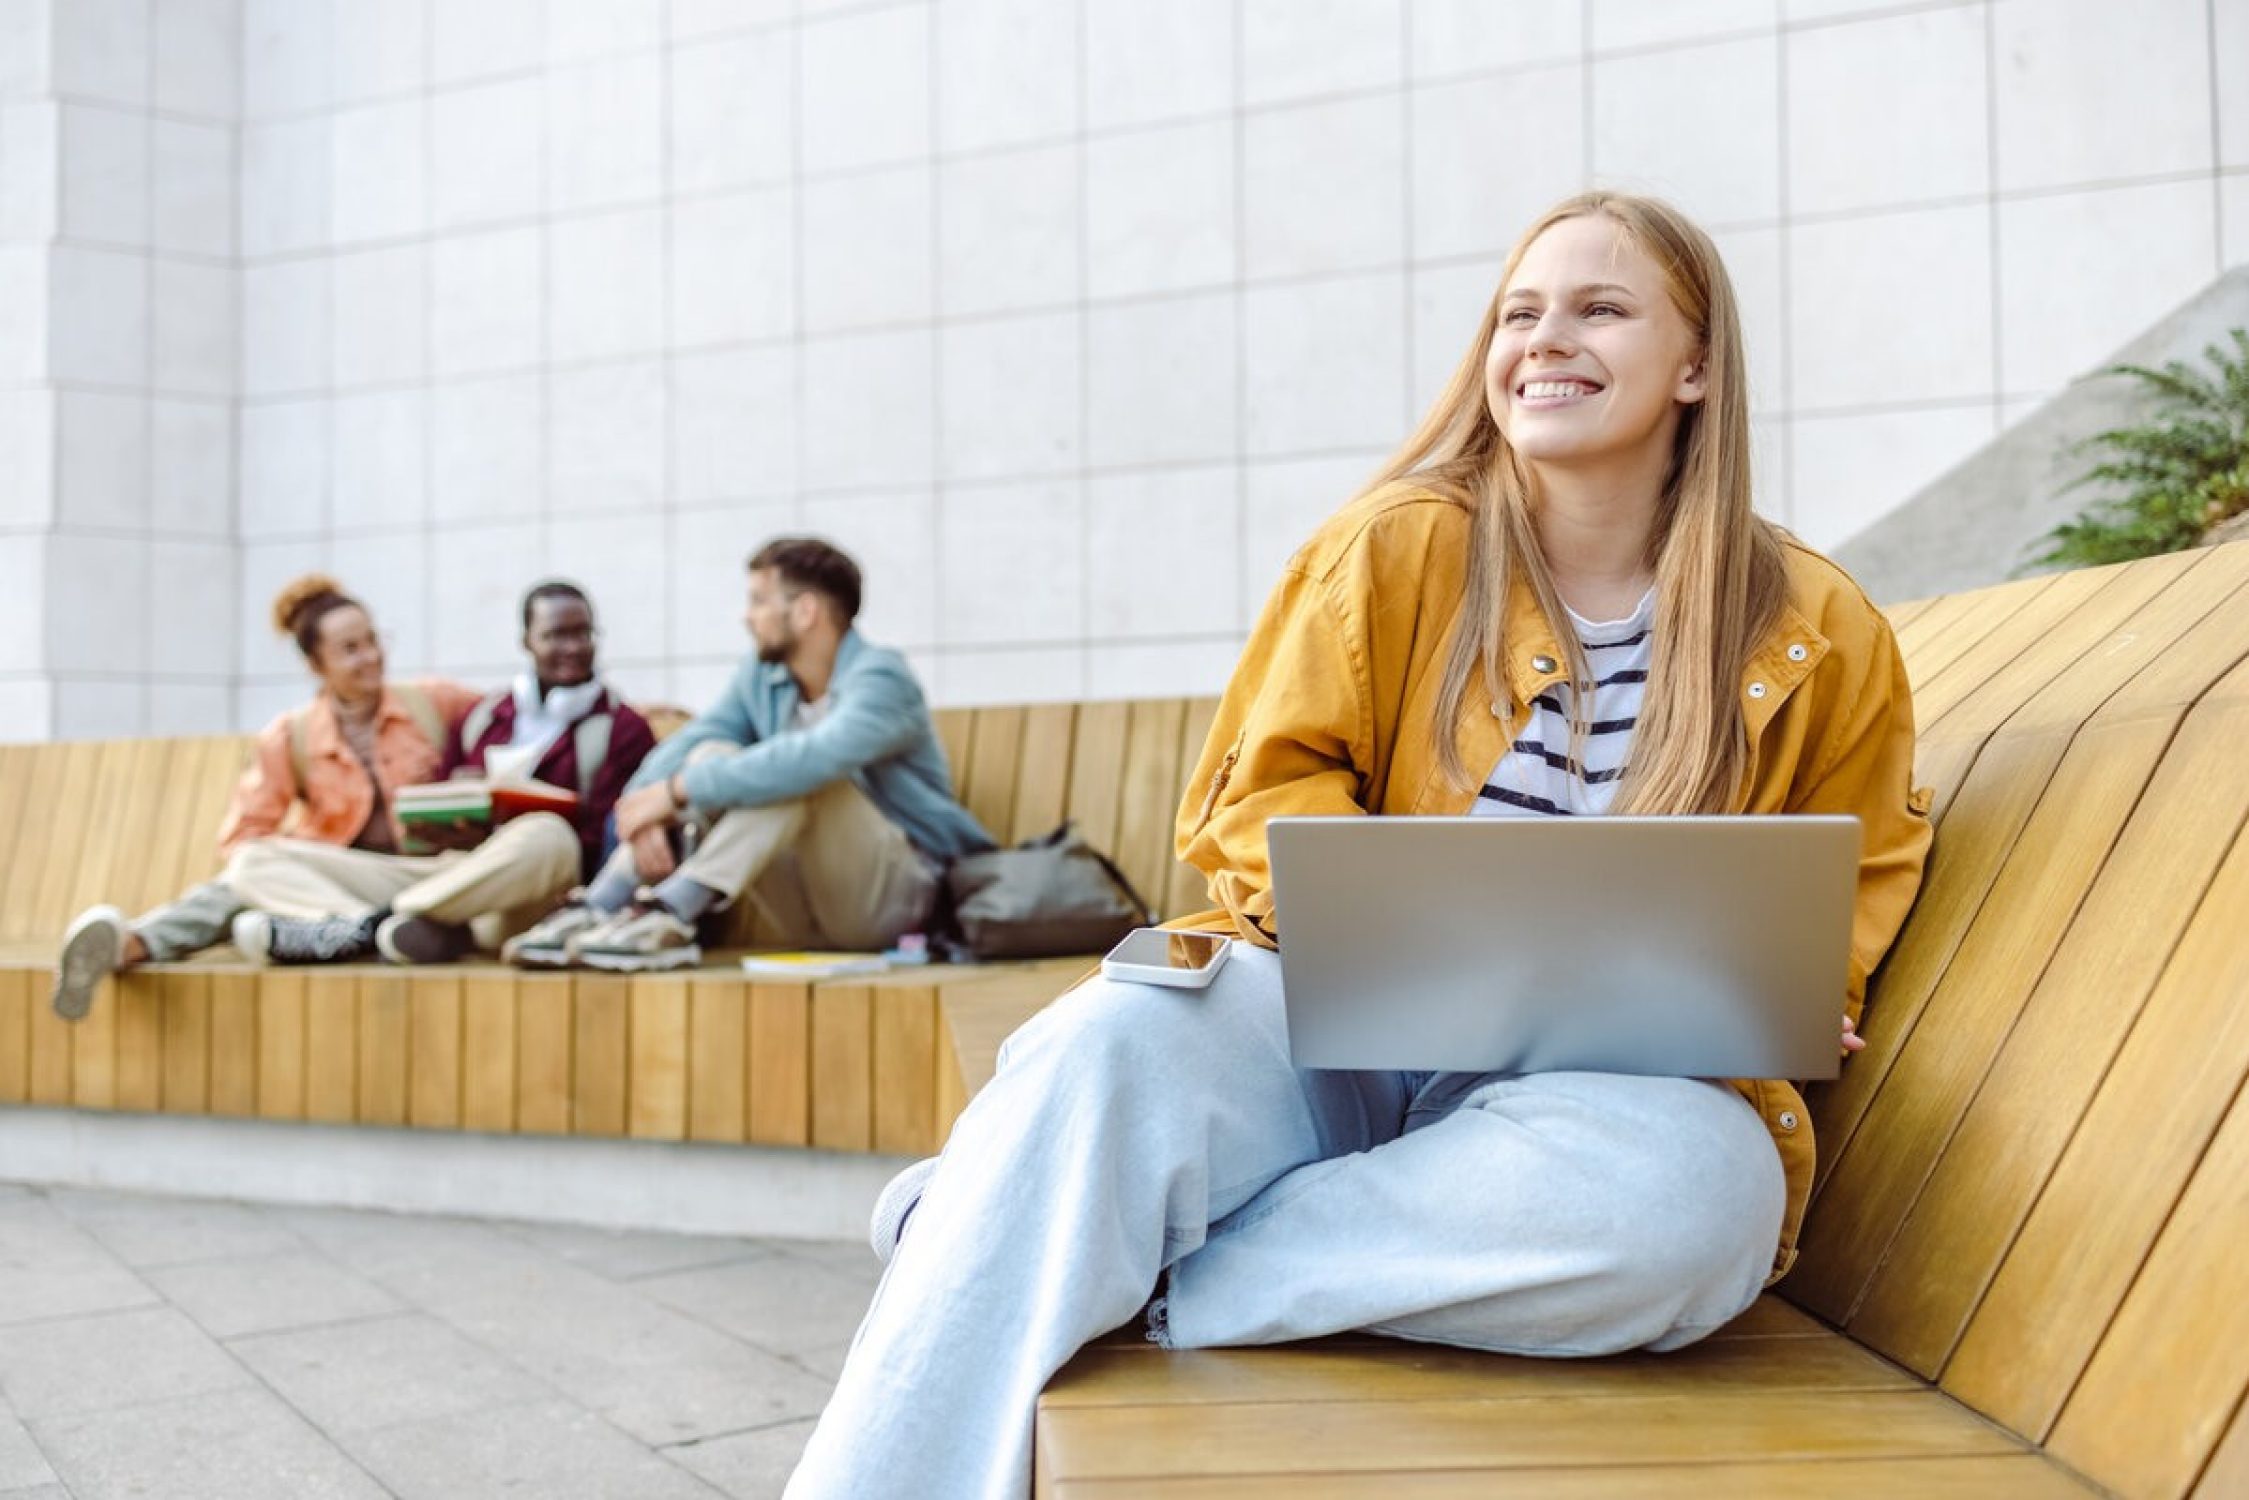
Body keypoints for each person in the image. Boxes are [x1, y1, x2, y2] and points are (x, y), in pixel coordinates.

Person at [783, 192, 1936, 1498]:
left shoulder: (1817, 627)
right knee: (1098, 1051)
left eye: (1600, 308)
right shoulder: (1392, 545)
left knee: (1697, 1213)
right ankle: (1023, 1237)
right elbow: (1256, 796)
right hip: (1325, 1013)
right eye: (1521, 311)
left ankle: (1048, 1238)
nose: (1545, 340)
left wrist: (1793, 999)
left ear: (1695, 366)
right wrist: (1421, 927)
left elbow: (1854, 873)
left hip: (1599, 1091)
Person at [50, 577, 564, 1017]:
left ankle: (372, 927)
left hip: (445, 876)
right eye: (350, 649)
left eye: (373, 640)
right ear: (316, 664)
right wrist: (309, 864)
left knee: (547, 838)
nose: (371, 657)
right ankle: (371, 928)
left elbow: (514, 729)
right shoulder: (289, 736)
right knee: (251, 866)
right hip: (342, 888)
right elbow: (244, 837)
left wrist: (473, 797)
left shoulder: (436, 702)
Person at [504, 537, 995, 972]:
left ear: (805, 612)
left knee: (800, 772)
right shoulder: (764, 677)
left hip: (897, 902)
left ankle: (670, 912)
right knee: (713, 751)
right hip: (801, 905)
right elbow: (690, 743)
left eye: (759, 601)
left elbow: (813, 758)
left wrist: (677, 792)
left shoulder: (882, 679)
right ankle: (602, 904)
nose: (747, 616)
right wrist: (643, 811)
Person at [433, 579, 659, 948]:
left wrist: (503, 833)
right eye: (555, 635)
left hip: (545, 896)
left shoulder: (624, 729)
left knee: (547, 836)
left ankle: (399, 915)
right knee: (309, 861)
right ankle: (428, 918)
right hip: (462, 871)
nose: (573, 648)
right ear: (527, 641)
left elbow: (606, 843)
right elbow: (436, 800)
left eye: (582, 634)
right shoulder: (481, 718)